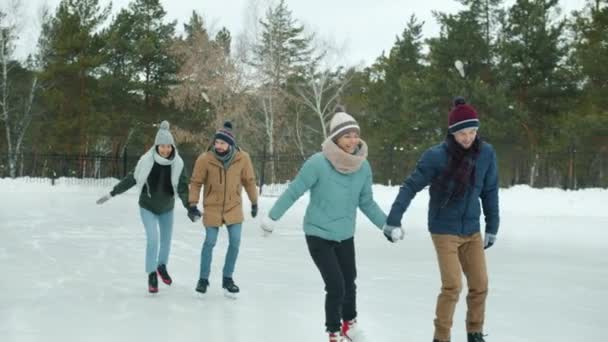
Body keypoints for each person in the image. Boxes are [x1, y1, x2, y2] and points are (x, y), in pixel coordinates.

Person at [261, 107, 398, 342]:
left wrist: (387, 225)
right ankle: (333, 333)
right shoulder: (318, 163)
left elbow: (366, 202)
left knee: (349, 281)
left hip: (345, 234)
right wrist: (272, 217)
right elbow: (294, 191)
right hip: (318, 233)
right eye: (347, 135)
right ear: (335, 138)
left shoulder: (362, 166)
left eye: (355, 134)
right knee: (336, 285)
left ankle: (349, 325)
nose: (353, 140)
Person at [384, 97, 500, 342]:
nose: (468, 137)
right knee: (452, 286)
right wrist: (394, 219)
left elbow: (490, 191)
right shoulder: (436, 156)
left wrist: (492, 226)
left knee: (480, 284)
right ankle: (441, 337)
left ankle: (475, 332)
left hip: (471, 229)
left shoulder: (486, 154)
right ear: (452, 133)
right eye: (462, 133)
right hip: (444, 229)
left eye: (472, 131)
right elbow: (410, 187)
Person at [96, 121, 190, 293]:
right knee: (153, 239)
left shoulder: (178, 163)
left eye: (169, 146)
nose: (166, 150)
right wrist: (112, 193)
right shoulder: (146, 161)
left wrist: (190, 206)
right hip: (147, 206)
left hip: (167, 207)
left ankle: (162, 266)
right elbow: (131, 178)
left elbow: (183, 187)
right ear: (157, 146)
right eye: (162, 146)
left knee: (166, 240)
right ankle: (151, 273)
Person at [188, 121, 258, 297]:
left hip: (233, 206)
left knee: (235, 242)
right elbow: (196, 182)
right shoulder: (205, 159)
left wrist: (254, 202)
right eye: (216, 142)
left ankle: (228, 278)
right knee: (210, 241)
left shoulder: (243, 158)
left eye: (222, 143)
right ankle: (203, 279)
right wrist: (192, 204)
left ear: (230, 144)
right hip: (212, 206)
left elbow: (249, 181)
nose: (218, 146)